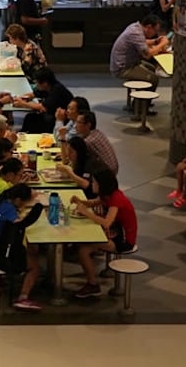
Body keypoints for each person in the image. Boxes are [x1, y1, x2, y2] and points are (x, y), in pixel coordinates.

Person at [72, 170, 138, 298]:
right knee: (84, 240)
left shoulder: (116, 198)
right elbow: (93, 203)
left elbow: (107, 222)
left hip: (123, 240)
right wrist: (79, 201)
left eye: (95, 182)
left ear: (102, 185)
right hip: (114, 232)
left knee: (83, 250)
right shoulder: (106, 195)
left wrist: (86, 212)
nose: (92, 184)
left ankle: (93, 284)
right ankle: (92, 282)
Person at [0, 183, 44, 310]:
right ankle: (23, 297)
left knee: (32, 250)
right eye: (24, 202)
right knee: (35, 268)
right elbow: (21, 224)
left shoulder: (1, 201)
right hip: (1, 255)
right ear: (18, 200)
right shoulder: (9, 211)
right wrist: (37, 208)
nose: (24, 205)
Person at [109, 13, 169, 91]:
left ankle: (140, 98)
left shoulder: (135, 27)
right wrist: (163, 43)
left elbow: (142, 42)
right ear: (149, 27)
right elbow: (147, 55)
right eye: (155, 31)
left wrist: (156, 41)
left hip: (129, 63)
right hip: (122, 68)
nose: (156, 33)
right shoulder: (136, 33)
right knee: (153, 79)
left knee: (152, 68)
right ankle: (142, 102)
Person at [13, 67, 73, 134]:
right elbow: (33, 94)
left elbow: (43, 107)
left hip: (62, 119)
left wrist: (23, 104)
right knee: (30, 117)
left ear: (45, 83)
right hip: (52, 115)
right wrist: (20, 98)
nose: (36, 85)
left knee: (35, 120)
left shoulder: (56, 90)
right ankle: (23, 133)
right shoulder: (48, 86)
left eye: (37, 83)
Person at [57, 136, 109, 200]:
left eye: (71, 152)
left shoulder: (90, 163)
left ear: (79, 152)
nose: (68, 154)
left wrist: (69, 171)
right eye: (67, 150)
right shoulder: (77, 159)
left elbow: (86, 184)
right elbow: (65, 162)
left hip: (92, 197)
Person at [75, 111, 119, 175]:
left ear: (88, 125)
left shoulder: (88, 142)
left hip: (107, 174)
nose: (75, 125)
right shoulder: (98, 133)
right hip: (113, 169)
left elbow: (77, 162)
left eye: (78, 122)